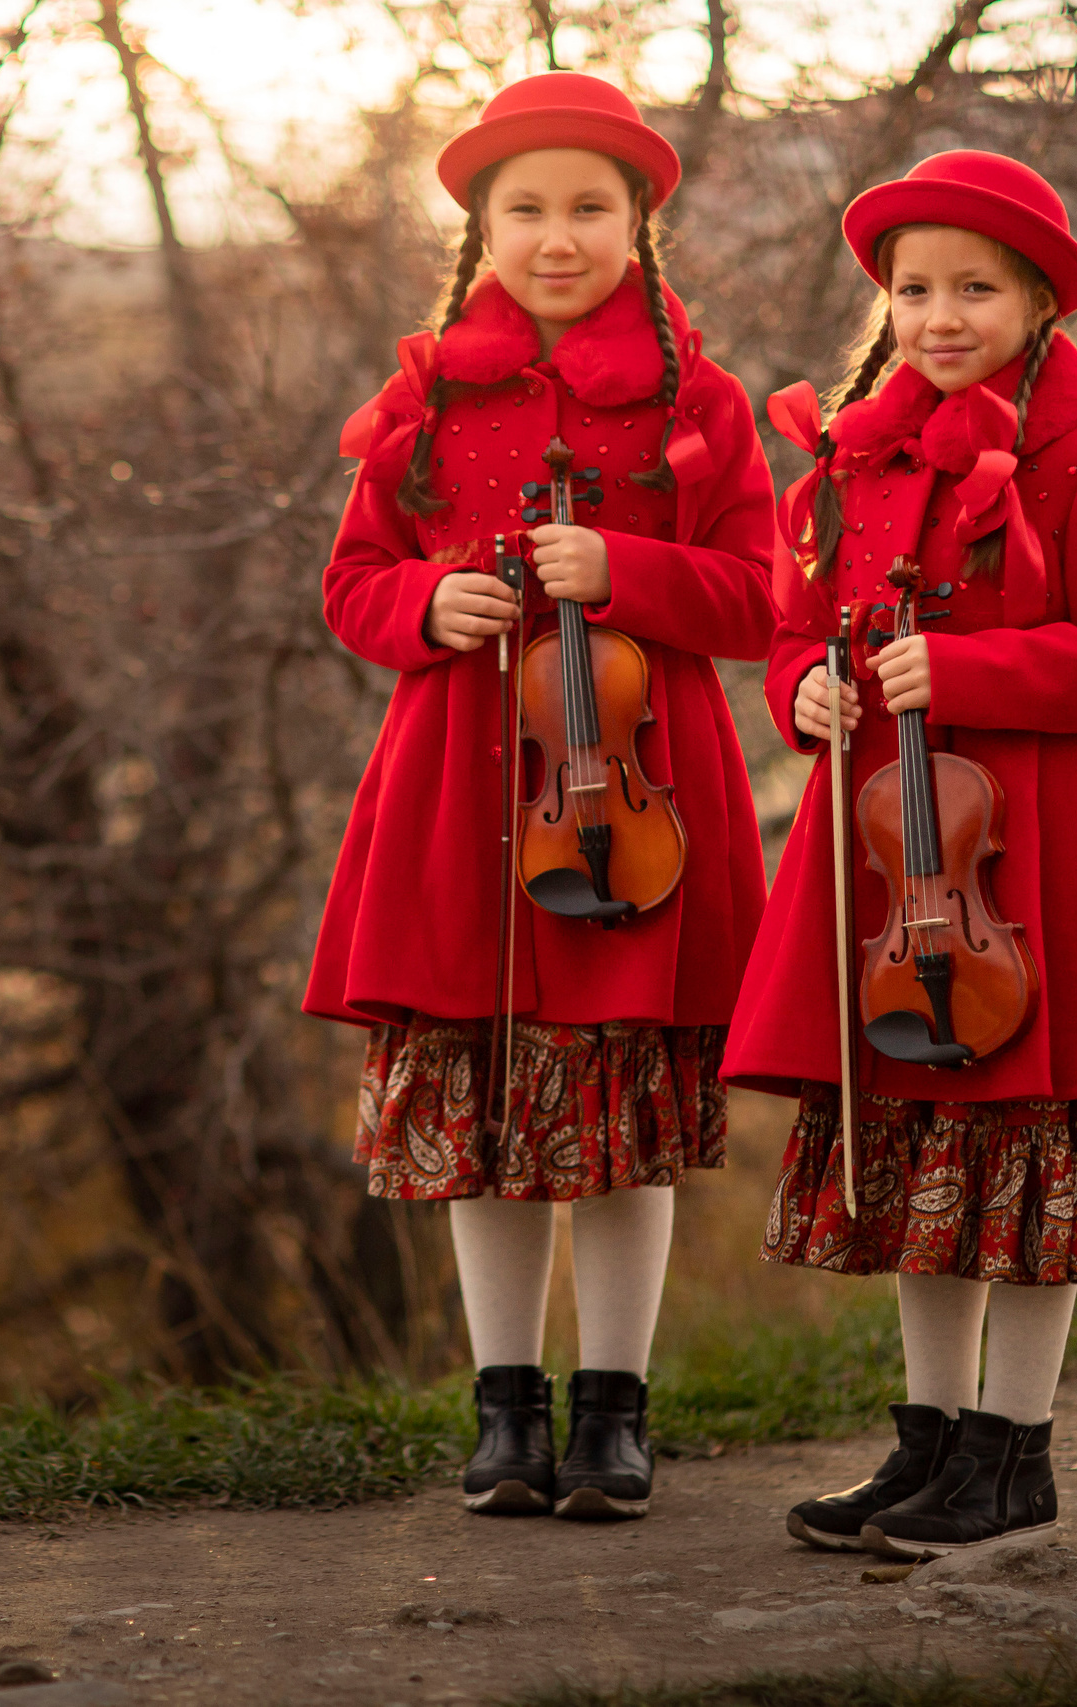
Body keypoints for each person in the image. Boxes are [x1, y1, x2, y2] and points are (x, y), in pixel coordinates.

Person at [723, 151, 1077, 1558]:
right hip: (889, 863)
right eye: (915, 287)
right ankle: (929, 1447)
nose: (942, 314)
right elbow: (789, 626)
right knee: (913, 1151)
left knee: (1021, 1145)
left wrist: (977, 668)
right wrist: (801, 694)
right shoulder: (845, 463)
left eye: (977, 288)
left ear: (1040, 303)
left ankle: (1017, 1457)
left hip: (1034, 862)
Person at [305, 72, 778, 1521]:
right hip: (460, 789)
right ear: (479, 226)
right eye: (526, 209)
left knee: (618, 1111)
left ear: (642, 222)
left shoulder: (701, 404)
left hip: (634, 800)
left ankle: (615, 1412)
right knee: (490, 1114)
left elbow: (766, 597)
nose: (557, 235)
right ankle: (505, 1409)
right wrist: (424, 602)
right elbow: (351, 581)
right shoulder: (428, 395)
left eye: (591, 206)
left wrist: (626, 573)